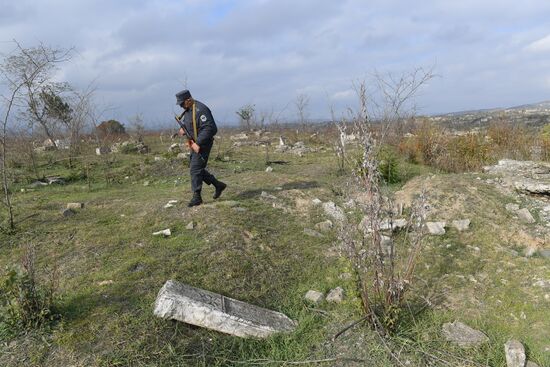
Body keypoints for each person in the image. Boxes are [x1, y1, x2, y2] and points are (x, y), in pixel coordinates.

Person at [175, 89, 226, 207]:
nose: (181, 106)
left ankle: (197, 196)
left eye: (182, 103)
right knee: (196, 168)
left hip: (203, 144)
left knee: (195, 169)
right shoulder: (188, 110)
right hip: (194, 144)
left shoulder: (201, 110)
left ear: (188, 100)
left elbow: (210, 128)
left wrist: (198, 143)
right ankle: (218, 185)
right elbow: (192, 125)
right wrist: (184, 130)